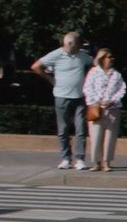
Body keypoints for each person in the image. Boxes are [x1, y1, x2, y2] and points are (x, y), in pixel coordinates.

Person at [33, 29, 91, 170]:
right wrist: (51, 80)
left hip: (79, 97)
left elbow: (96, 63)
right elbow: (36, 66)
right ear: (70, 43)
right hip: (61, 96)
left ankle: (79, 158)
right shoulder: (56, 54)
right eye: (78, 43)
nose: (80, 46)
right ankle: (65, 158)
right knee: (63, 129)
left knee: (80, 129)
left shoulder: (82, 56)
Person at [82, 46, 126, 174]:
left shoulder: (117, 74)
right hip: (97, 108)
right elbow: (87, 88)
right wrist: (98, 100)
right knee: (95, 136)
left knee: (110, 136)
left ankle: (107, 161)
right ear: (102, 59)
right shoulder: (93, 72)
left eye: (112, 57)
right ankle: (96, 162)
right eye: (109, 57)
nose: (111, 59)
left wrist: (112, 100)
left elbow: (122, 89)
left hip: (112, 108)